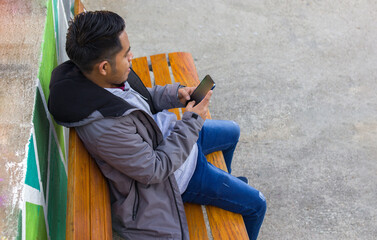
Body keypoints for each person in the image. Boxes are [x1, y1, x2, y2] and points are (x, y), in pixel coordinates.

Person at [48, 10, 266, 240]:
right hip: (178, 174)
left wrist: (177, 94)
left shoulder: (103, 79)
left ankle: (225, 187)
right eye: (126, 54)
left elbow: (142, 99)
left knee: (233, 130)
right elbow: (156, 169)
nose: (131, 57)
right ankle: (222, 191)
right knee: (257, 204)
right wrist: (193, 121)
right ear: (104, 67)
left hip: (174, 137)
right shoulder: (105, 127)